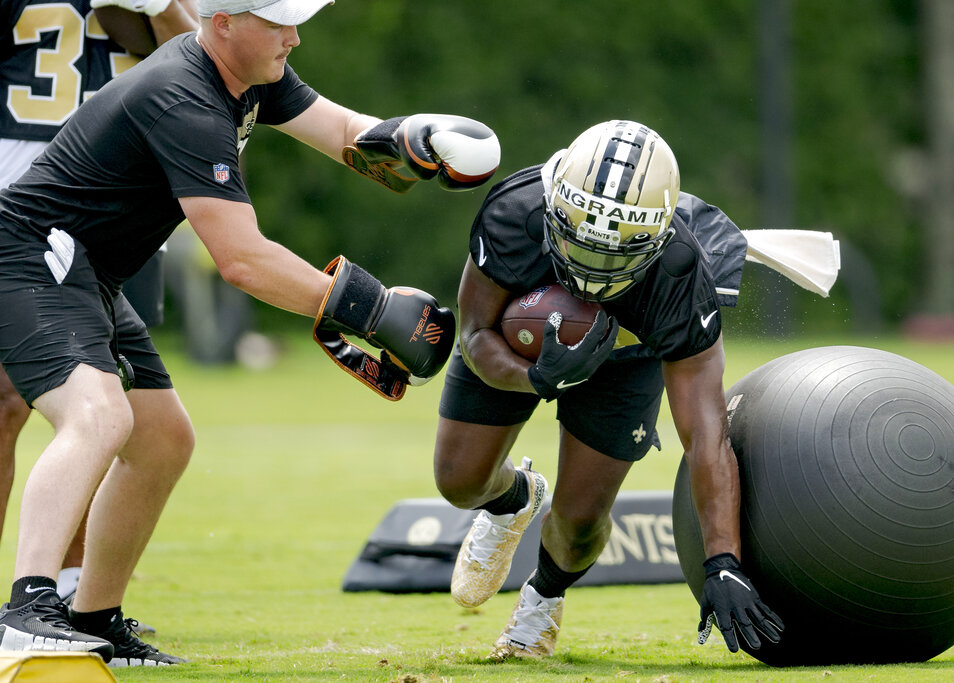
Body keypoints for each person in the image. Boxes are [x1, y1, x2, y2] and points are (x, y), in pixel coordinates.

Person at [0, 0, 499, 667]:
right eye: (276, 20)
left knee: (164, 439)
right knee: (96, 415)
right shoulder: (185, 97)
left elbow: (346, 131)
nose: (293, 35)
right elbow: (242, 259)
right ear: (223, 21)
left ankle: (95, 615)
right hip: (31, 253)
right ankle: (28, 609)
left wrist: (411, 142)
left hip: (86, 268)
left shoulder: (247, 70)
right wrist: (373, 311)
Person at [433, 120, 783, 660]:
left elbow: (706, 432)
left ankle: (542, 602)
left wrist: (723, 562)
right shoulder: (513, 213)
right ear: (556, 212)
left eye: (615, 254)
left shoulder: (680, 274)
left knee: (579, 524)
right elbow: (476, 331)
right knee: (458, 482)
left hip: (625, 356)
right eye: (581, 245)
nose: (592, 272)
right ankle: (514, 499)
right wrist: (533, 377)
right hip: (518, 337)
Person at [0, 0, 198, 616]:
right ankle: (31, 597)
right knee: (6, 404)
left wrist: (161, 4)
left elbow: (208, 59)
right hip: (15, 180)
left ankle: (73, 592)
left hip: (119, 202)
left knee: (118, 404)